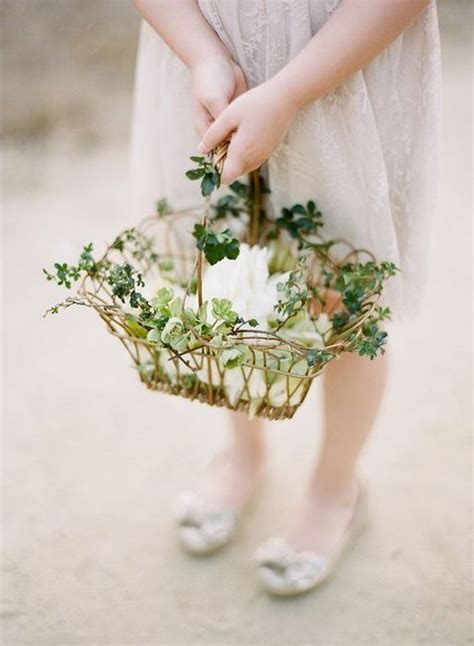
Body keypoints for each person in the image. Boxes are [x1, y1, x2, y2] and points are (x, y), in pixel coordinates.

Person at [130, 0, 440, 596]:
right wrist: (202, 53)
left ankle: (334, 490)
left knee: (343, 294)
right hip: (204, 53)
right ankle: (244, 456)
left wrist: (290, 93)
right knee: (231, 274)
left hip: (341, 65)